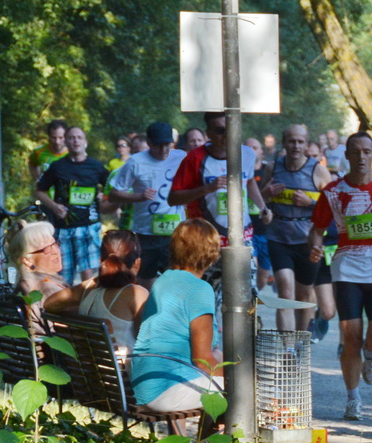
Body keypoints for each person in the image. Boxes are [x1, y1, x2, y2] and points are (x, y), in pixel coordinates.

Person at [308, 133, 372, 422]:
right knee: (350, 336)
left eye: (367, 151)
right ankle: (353, 399)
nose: (361, 156)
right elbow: (316, 229)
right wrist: (315, 247)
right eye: (356, 151)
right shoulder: (332, 191)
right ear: (347, 156)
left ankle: (371, 355)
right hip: (347, 268)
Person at [130, 219, 225, 413]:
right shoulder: (199, 289)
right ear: (211, 252)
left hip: (144, 384)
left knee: (221, 361)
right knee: (246, 388)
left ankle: (206, 441)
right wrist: (239, 377)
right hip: (166, 390)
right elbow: (202, 360)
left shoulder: (164, 280)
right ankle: (218, 442)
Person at [259, 123, 333, 333]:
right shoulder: (273, 168)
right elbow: (261, 202)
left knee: (303, 295)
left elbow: (334, 206)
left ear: (306, 144)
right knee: (285, 290)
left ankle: (300, 343)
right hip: (279, 237)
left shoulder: (318, 170)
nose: (296, 146)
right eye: (291, 141)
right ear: (284, 143)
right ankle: (288, 350)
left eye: (300, 141)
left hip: (308, 240)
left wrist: (309, 203)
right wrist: (267, 195)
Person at [168, 111, 268, 247]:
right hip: (205, 235)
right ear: (208, 134)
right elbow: (173, 199)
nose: (227, 136)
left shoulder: (247, 154)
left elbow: (249, 181)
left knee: (247, 269)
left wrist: (263, 207)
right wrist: (207, 188)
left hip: (242, 233)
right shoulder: (194, 158)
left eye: (231, 130)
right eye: (220, 131)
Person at [44, 229, 147, 352]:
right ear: (137, 263)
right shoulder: (136, 294)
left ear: (101, 260)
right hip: (124, 370)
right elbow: (150, 339)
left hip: (87, 368)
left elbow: (49, 304)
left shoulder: (88, 288)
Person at [33, 126, 109, 282]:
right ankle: (68, 304)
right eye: (72, 138)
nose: (76, 141)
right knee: (64, 276)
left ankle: (86, 304)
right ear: (66, 142)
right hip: (64, 227)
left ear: (85, 142)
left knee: (87, 273)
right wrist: (54, 206)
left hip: (90, 226)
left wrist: (104, 196)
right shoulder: (57, 167)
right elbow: (39, 191)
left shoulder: (96, 167)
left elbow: (113, 188)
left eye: (79, 137)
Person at [10, 221, 69, 325]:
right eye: (46, 249)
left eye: (55, 244)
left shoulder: (24, 284)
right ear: (27, 261)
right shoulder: (47, 288)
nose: (56, 251)